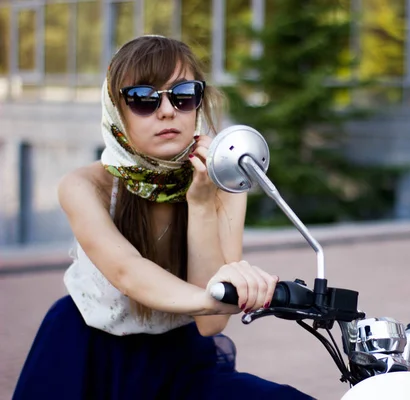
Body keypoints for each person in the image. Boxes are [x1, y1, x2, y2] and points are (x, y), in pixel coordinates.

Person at [13, 35, 313, 400]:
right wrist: (228, 295)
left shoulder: (227, 180)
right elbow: (128, 272)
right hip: (87, 355)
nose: (167, 110)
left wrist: (201, 203)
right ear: (115, 111)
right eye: (143, 99)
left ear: (198, 104)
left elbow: (212, 323)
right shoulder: (84, 185)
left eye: (183, 94)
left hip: (182, 362)